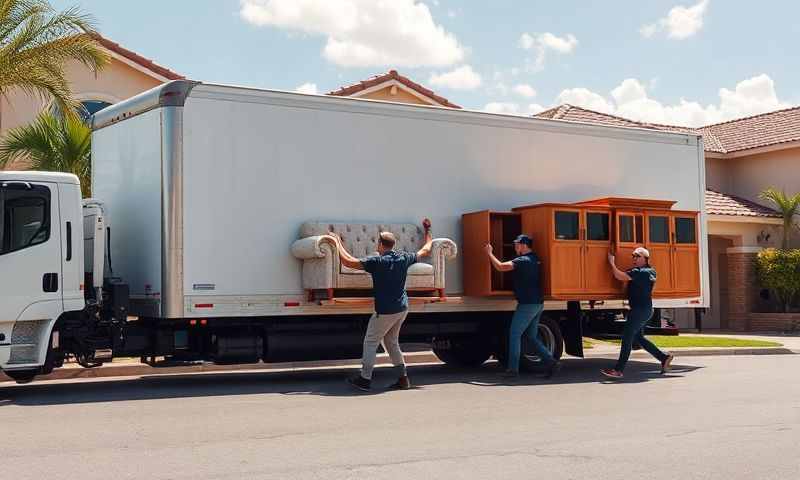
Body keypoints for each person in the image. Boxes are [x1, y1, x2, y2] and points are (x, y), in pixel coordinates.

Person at [334, 219, 433, 391]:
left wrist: (337, 242)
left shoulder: (377, 262)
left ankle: (364, 379)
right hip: (402, 308)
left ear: (380, 244)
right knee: (391, 341)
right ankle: (403, 379)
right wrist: (428, 230)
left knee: (371, 341)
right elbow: (426, 249)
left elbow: (348, 262)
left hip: (386, 311)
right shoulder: (404, 257)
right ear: (393, 245)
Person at [485, 234, 560, 379]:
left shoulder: (523, 260)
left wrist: (489, 253)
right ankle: (551, 362)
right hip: (537, 303)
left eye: (517, 244)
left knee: (514, 335)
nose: (515, 246)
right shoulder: (535, 259)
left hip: (527, 305)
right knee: (531, 336)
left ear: (524, 245)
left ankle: (513, 370)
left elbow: (500, 267)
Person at [601, 247, 674, 379]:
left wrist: (611, 262)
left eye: (637, 256)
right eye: (633, 256)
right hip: (645, 310)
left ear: (645, 258)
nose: (634, 258)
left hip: (639, 310)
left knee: (627, 337)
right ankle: (663, 358)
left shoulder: (641, 272)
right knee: (638, 338)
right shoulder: (650, 271)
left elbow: (619, 276)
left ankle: (618, 370)